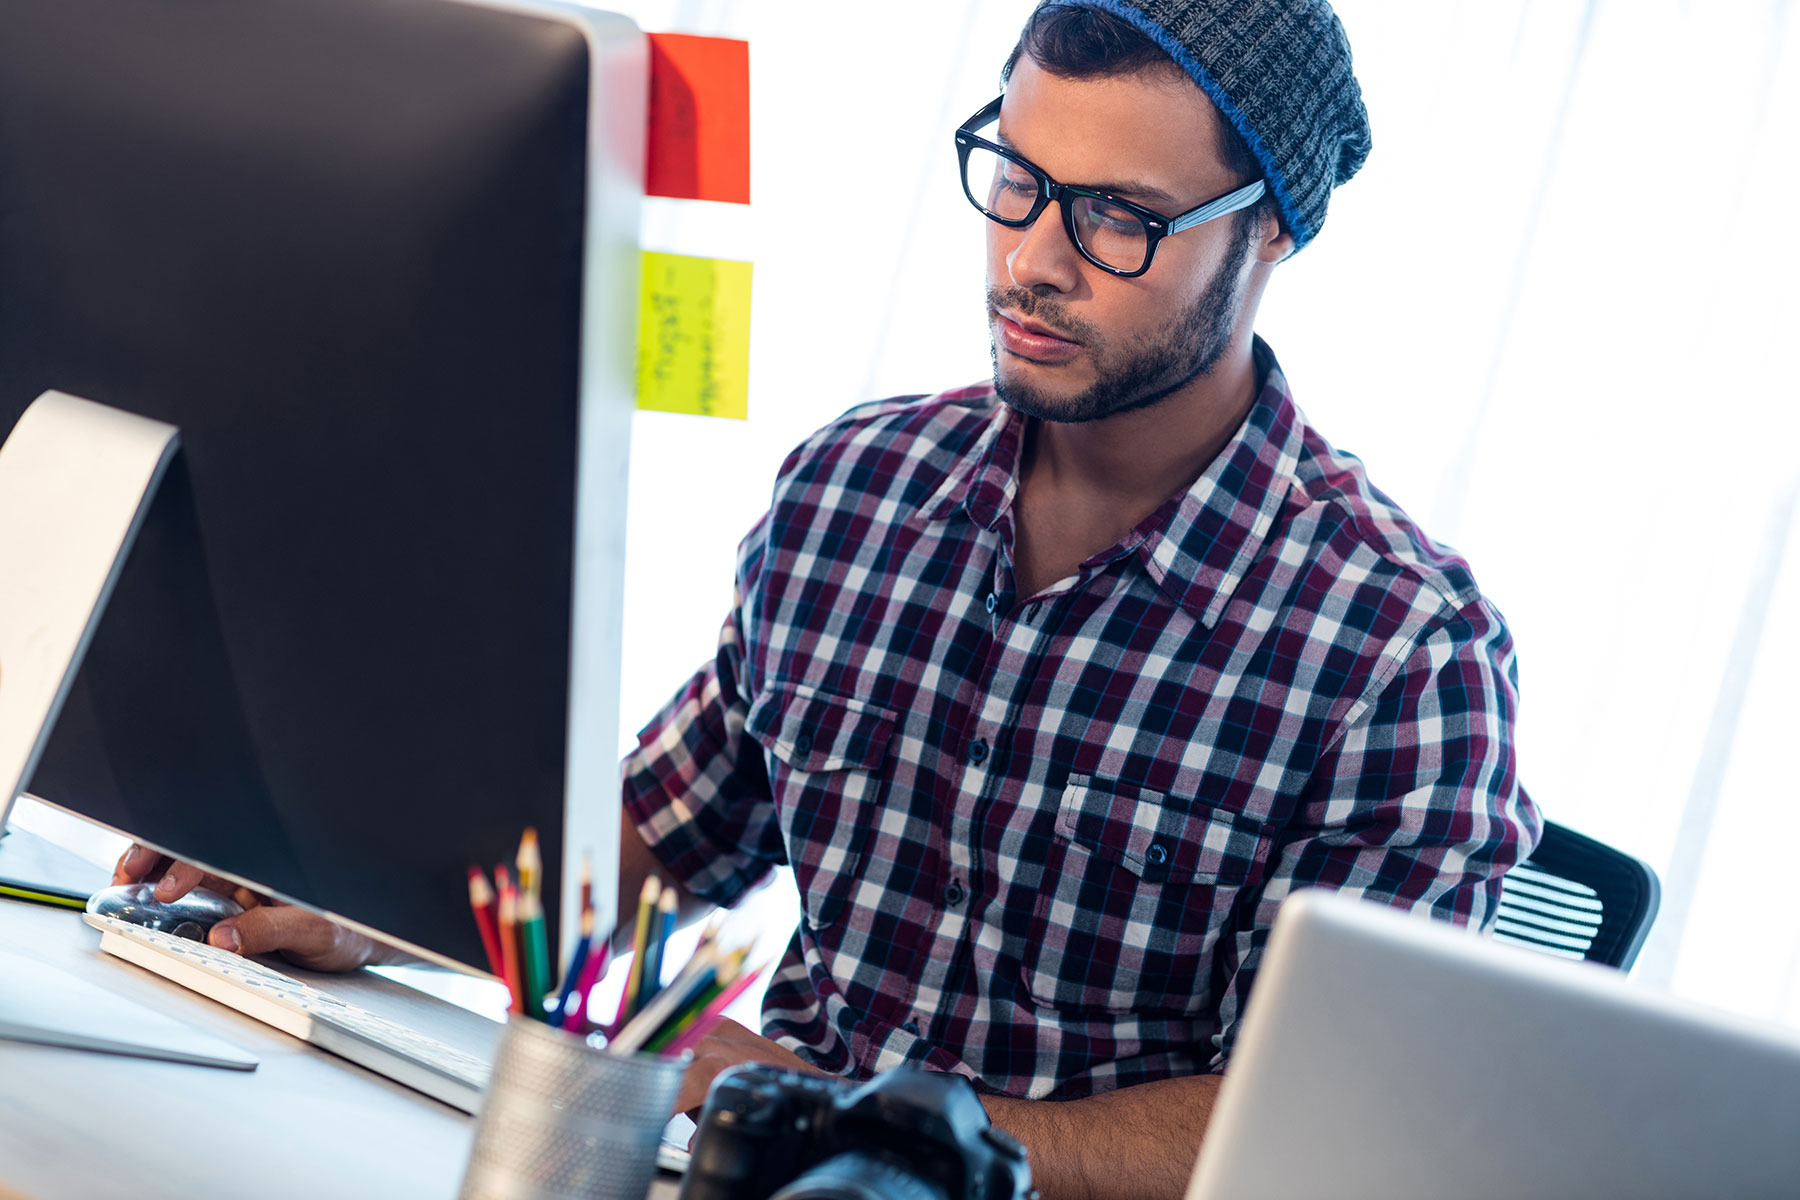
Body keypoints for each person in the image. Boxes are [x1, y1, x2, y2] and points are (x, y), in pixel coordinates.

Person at [119, 2, 1541, 1196]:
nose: (1034, 260)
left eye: (1120, 218)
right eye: (1018, 180)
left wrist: (873, 1123)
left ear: (1275, 232)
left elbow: (1322, 1140)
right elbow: (658, 847)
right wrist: (367, 895)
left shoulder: (1403, 651)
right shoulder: (858, 488)